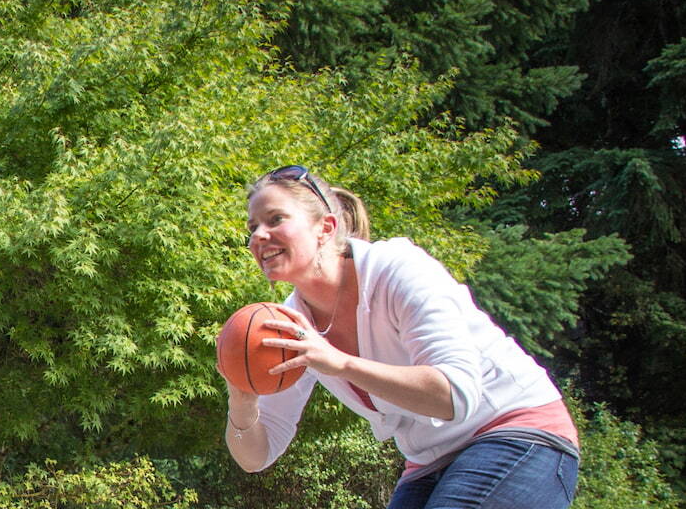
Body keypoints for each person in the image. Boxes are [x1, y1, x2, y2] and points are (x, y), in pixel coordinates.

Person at [224, 165, 580, 509]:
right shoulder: (286, 322)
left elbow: (454, 395)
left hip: (517, 428)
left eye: (275, 220)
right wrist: (242, 402)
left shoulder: (396, 268)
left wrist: (342, 363)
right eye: (253, 227)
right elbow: (257, 456)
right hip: (429, 459)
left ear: (325, 227)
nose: (258, 235)